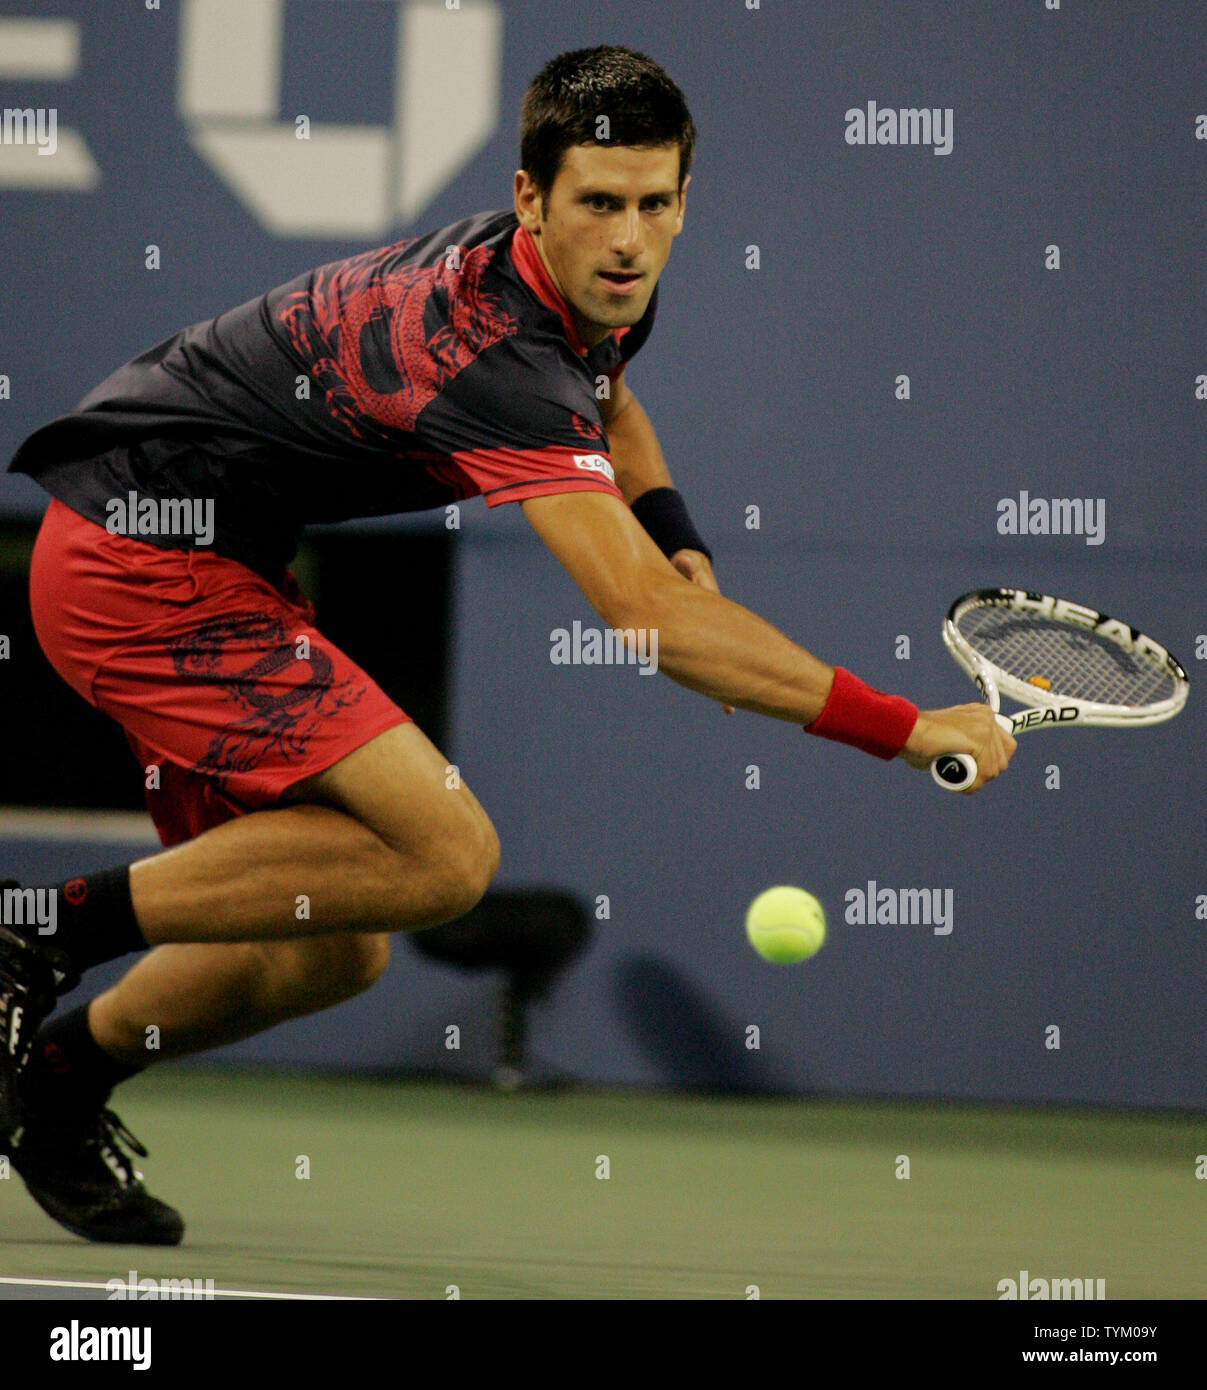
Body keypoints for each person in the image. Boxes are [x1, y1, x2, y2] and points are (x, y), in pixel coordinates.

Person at [0, 45, 1014, 1246]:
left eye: (654, 203)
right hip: (138, 560)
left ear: (685, 198)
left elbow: (613, 405)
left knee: (335, 950)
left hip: (219, 557)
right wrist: (905, 729)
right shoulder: (494, 352)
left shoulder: (587, 288)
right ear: (531, 198)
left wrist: (668, 528)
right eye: (598, 204)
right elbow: (649, 623)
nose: (629, 239)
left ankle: (53, 1090)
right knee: (444, 852)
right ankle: (34, 932)